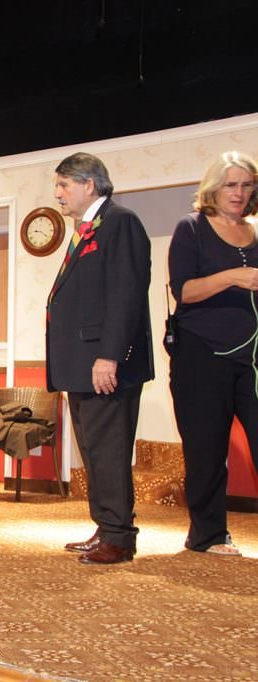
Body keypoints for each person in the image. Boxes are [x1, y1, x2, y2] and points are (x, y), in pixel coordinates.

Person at [47, 152, 153, 565]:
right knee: (93, 451)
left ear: (89, 184)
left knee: (108, 451)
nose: (58, 193)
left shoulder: (120, 222)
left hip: (104, 365)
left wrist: (109, 356)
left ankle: (120, 538)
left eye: (63, 185)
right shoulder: (88, 228)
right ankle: (107, 527)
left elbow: (127, 293)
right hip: (81, 365)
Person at [168, 151, 258, 557]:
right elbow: (184, 291)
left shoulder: (255, 231)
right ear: (213, 188)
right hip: (201, 355)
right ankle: (208, 535)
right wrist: (234, 277)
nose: (239, 193)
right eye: (230, 185)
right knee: (205, 449)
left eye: (247, 185)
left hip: (252, 358)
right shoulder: (192, 228)